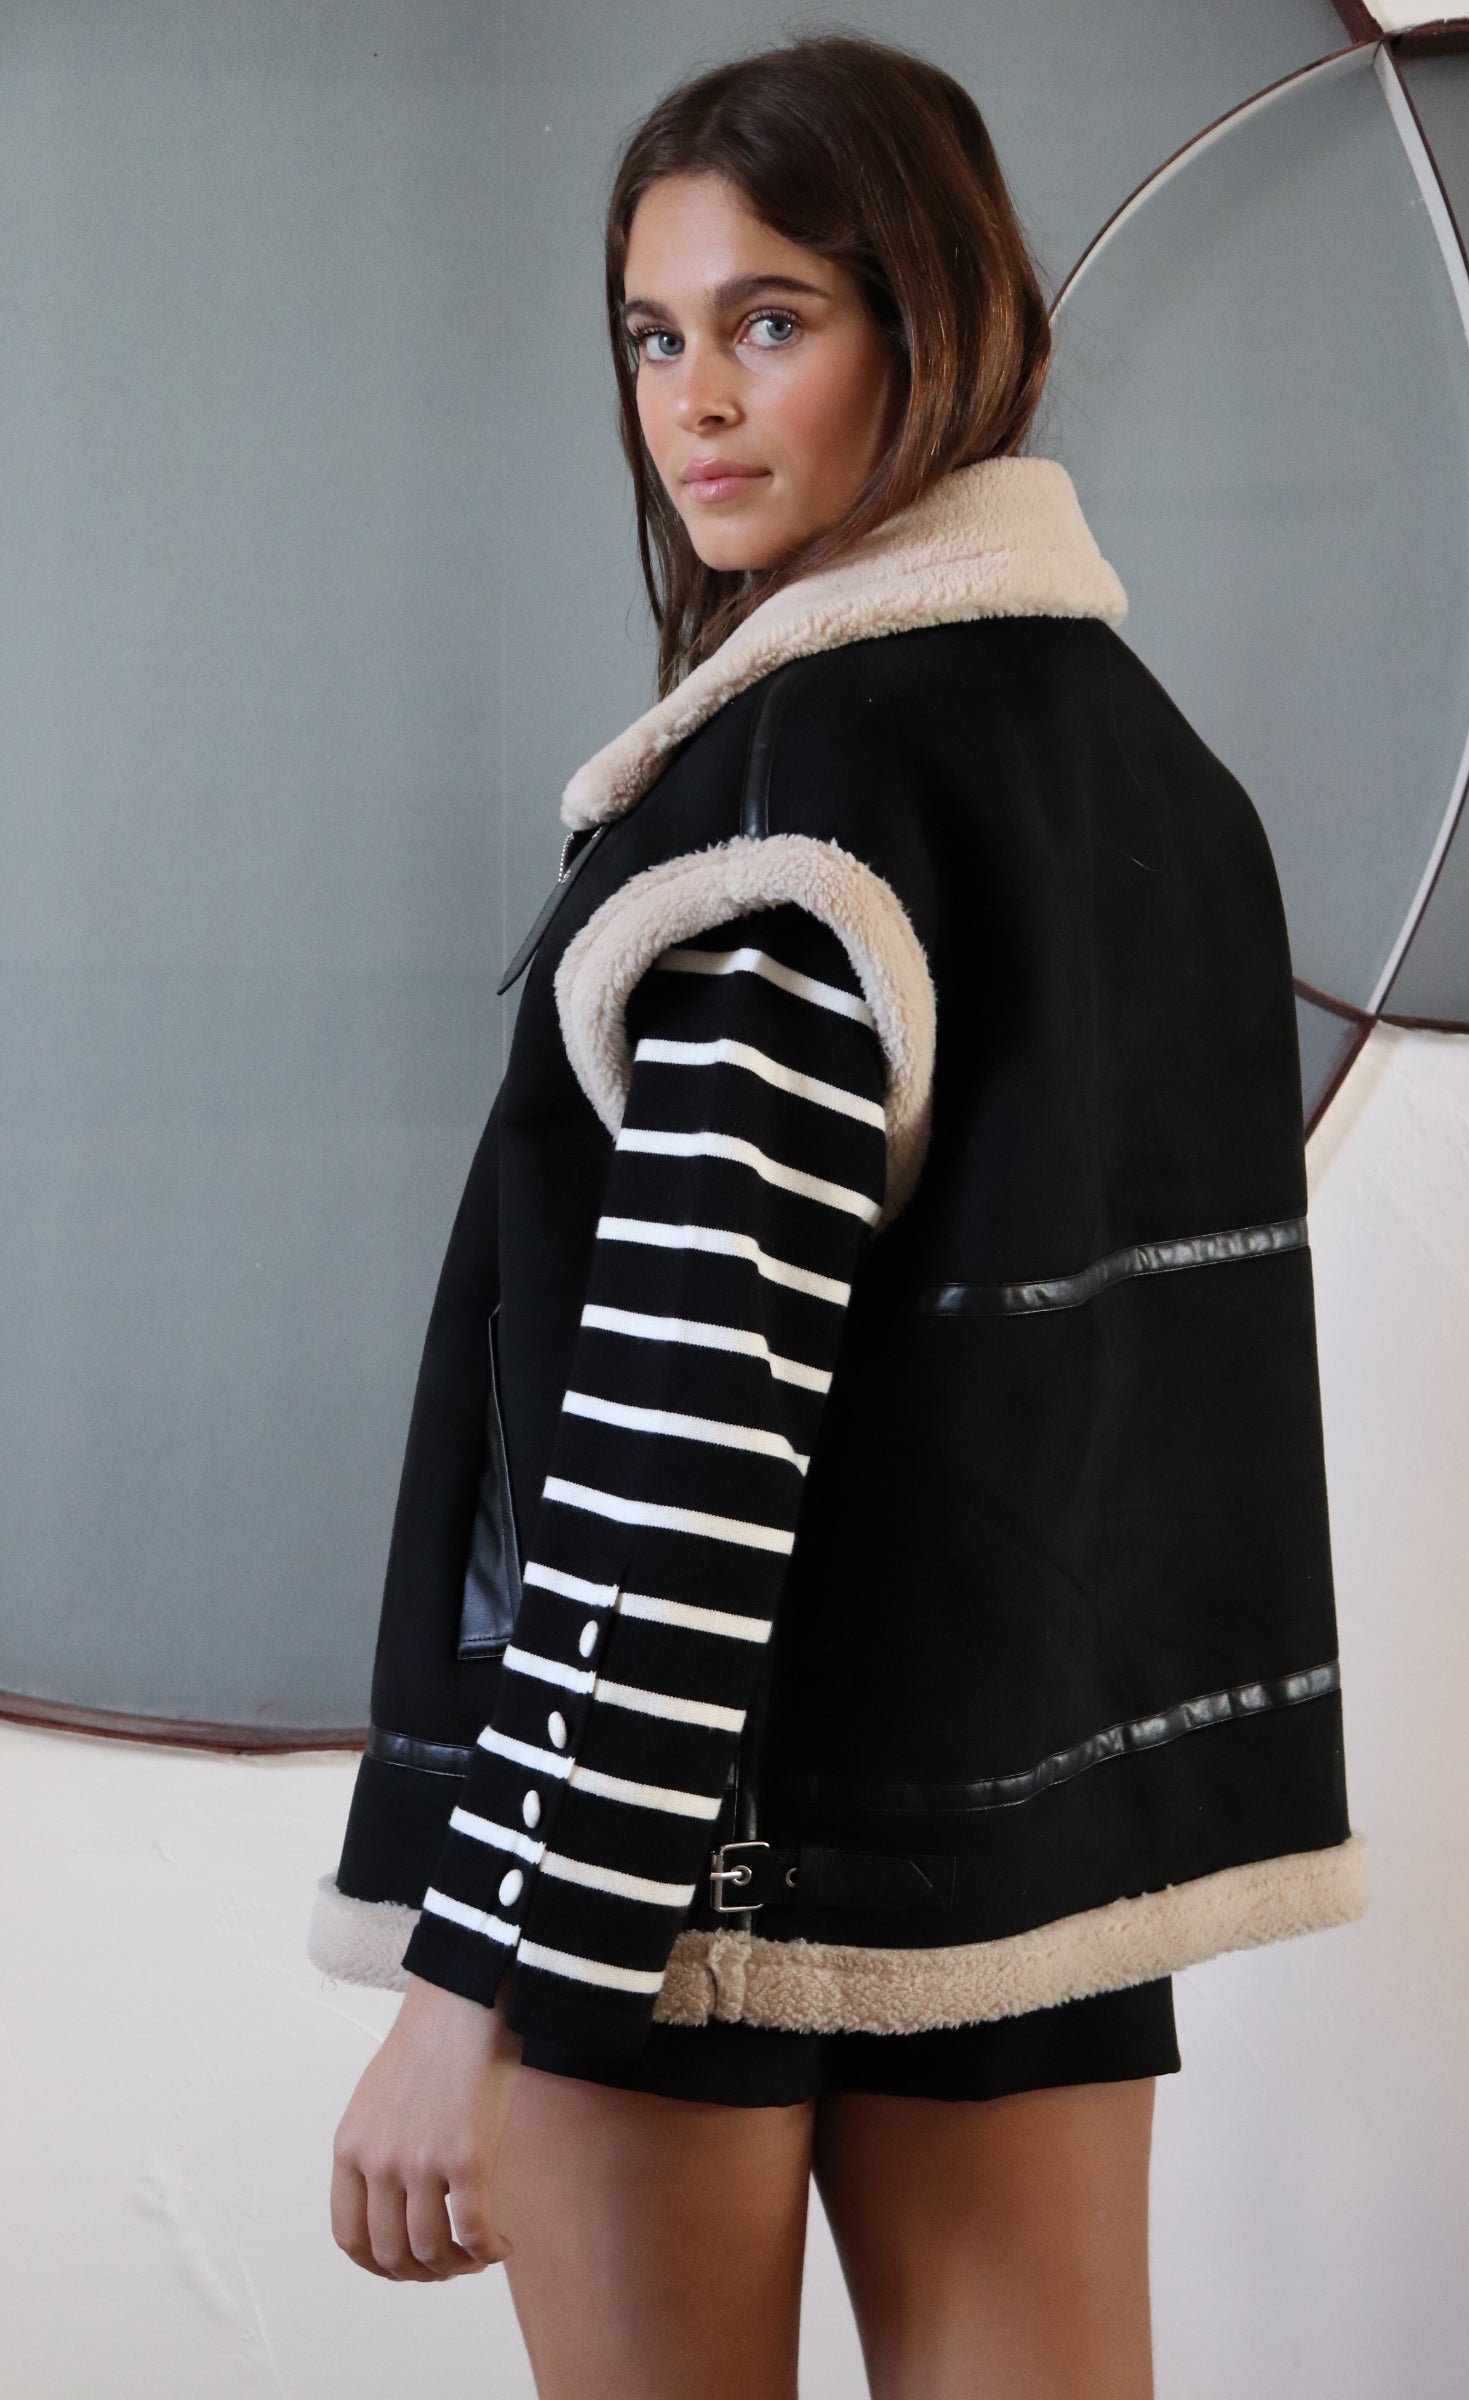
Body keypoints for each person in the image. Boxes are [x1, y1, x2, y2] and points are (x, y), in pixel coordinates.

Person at [308, 32, 1365, 2398]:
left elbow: (677, 1437)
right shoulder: (1152, 778)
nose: (691, 401)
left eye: (766, 320)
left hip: (673, 1874)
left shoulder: (792, 795)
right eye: (652, 334)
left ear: (933, 322)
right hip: (1023, 1873)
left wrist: (474, 1977)